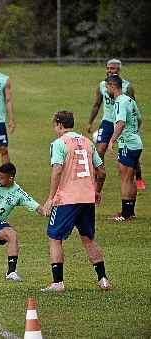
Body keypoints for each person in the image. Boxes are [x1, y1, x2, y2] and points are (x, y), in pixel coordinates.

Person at [42, 110, 110, 292]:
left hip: (67, 199)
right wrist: (96, 191)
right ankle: (103, 279)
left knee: (54, 237)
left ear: (58, 124)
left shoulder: (59, 143)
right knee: (88, 238)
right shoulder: (88, 142)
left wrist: (50, 198)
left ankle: (58, 283)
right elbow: (102, 172)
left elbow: (57, 170)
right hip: (87, 198)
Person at [87, 59, 145, 190]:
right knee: (99, 149)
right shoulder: (102, 85)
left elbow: (133, 107)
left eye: (112, 68)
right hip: (107, 122)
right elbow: (97, 104)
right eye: (108, 68)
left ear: (119, 70)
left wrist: (136, 127)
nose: (109, 71)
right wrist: (90, 122)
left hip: (123, 122)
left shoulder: (126, 87)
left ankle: (139, 177)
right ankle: (98, 177)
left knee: (130, 151)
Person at [106, 75, 143, 221]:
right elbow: (139, 119)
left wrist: (112, 140)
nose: (107, 90)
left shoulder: (120, 102)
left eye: (107, 87)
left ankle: (125, 214)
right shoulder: (130, 100)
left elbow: (120, 123)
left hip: (127, 144)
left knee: (125, 179)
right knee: (131, 177)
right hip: (136, 142)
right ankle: (130, 212)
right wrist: (133, 132)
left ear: (113, 86)